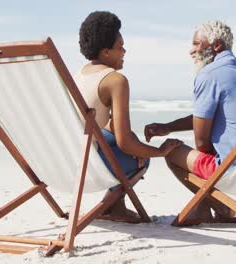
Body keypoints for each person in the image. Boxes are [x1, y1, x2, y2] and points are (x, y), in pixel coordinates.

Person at [145, 20, 236, 221]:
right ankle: (208, 207)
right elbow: (212, 116)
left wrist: (172, 137)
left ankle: (217, 207)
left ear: (216, 45)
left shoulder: (209, 75)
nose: (191, 51)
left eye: (196, 44)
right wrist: (169, 127)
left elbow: (202, 143)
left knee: (171, 150)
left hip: (234, 172)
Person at [75, 11, 183, 222]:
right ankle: (112, 206)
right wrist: (159, 152)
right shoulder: (115, 80)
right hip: (89, 169)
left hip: (68, 160)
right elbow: (125, 144)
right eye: (120, 47)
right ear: (106, 52)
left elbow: (109, 128)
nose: (124, 51)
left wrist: (132, 140)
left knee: (128, 141)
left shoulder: (80, 74)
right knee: (142, 160)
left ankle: (116, 207)